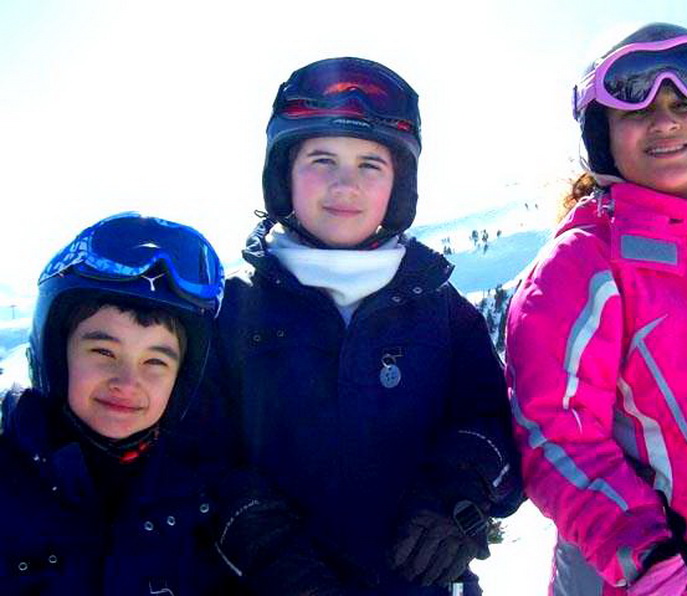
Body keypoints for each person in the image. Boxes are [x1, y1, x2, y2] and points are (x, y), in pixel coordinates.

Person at [192, 57, 523, 595]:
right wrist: (261, 542)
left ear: (399, 186)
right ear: (284, 176)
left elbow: (496, 423)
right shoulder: (231, 313)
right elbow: (194, 454)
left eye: (371, 164)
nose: (345, 184)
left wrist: (456, 494)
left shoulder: (439, 311)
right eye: (321, 160)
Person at [505, 22, 687, 595]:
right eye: (636, 111)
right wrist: (651, 560)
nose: (665, 122)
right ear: (602, 136)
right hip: (676, 578)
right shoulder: (583, 266)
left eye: (685, 105)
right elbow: (554, 433)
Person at [0, 213, 260, 595]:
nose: (127, 382)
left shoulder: (204, 502)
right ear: (56, 356)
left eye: (155, 362)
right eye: (103, 352)